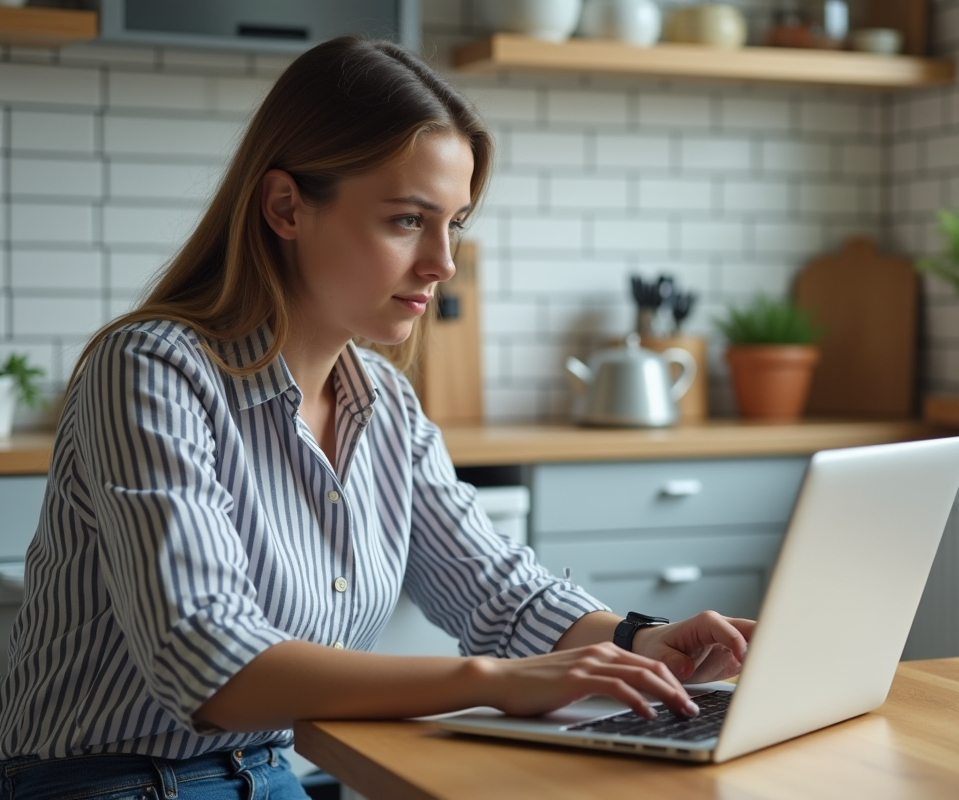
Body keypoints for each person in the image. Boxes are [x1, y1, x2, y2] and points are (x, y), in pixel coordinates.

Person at [0, 37, 753, 799]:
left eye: (453, 224)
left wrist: (641, 639)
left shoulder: (385, 405)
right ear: (286, 208)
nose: (443, 262)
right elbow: (213, 665)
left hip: (270, 774)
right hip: (107, 782)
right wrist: (494, 682)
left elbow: (497, 591)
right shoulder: (150, 369)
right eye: (406, 221)